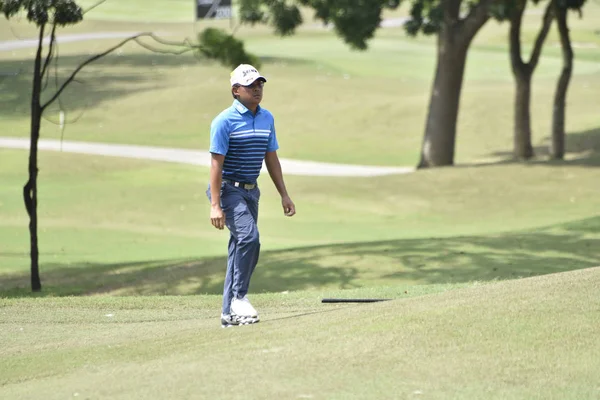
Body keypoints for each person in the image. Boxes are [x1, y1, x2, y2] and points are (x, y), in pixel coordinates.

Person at [206, 64, 296, 328]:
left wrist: (284, 195)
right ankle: (239, 298)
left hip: (250, 191)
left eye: (260, 84)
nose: (257, 89)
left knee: (238, 248)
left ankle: (228, 312)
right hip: (227, 189)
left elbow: (271, 158)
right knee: (250, 238)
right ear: (236, 91)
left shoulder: (267, 118)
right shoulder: (224, 121)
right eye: (250, 85)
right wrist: (215, 205)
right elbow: (215, 165)